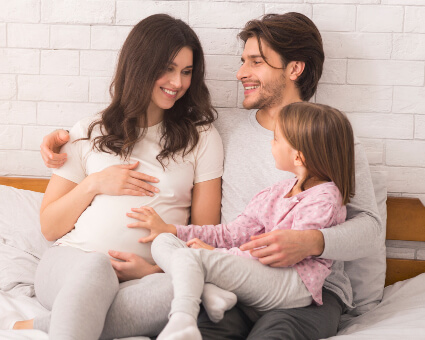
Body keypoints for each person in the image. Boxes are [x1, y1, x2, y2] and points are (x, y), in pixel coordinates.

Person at [37, 12, 382, 340]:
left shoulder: (332, 137)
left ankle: (52, 323)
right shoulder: (221, 129)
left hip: (306, 290)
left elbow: (368, 228)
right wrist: (63, 143)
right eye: (242, 61)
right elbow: (140, 125)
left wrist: (312, 242)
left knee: (274, 333)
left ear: (294, 68)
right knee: (190, 325)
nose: (240, 73)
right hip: (230, 284)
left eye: (256, 62)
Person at [9, 14, 224, 340]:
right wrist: (95, 183)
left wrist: (155, 270)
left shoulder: (202, 138)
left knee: (190, 289)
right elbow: (50, 225)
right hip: (71, 263)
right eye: (167, 68)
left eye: (186, 71)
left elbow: (205, 235)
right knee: (97, 269)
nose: (177, 82)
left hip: (148, 277)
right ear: (139, 66)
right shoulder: (89, 131)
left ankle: (50, 326)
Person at [131, 102, 355, 340]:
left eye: (276, 139)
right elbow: (233, 233)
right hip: (260, 275)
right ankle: (209, 291)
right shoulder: (277, 191)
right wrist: (174, 230)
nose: (271, 143)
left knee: (191, 257)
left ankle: (183, 319)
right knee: (164, 242)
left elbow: (281, 255)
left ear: (298, 157)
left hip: (292, 284)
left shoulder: (325, 200)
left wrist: (219, 257)